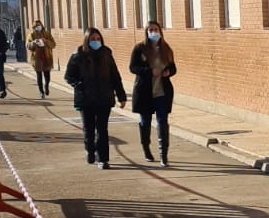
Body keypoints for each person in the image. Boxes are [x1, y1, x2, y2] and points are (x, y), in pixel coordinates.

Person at [64, 28, 126, 169]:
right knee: (89, 129)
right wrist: (79, 85)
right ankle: (90, 150)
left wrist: (121, 96)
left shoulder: (106, 54)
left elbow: (115, 77)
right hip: (86, 99)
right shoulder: (78, 55)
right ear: (87, 40)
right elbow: (68, 76)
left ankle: (103, 159)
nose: (96, 41)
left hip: (104, 97)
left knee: (102, 129)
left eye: (98, 39)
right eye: (93, 39)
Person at [128, 21, 177, 166]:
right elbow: (133, 67)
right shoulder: (139, 48)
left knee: (162, 122)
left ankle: (164, 154)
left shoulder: (166, 49)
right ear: (146, 32)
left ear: (160, 31)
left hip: (162, 92)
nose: (153, 32)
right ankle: (146, 149)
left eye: (156, 29)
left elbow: (174, 67)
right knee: (145, 122)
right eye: (151, 30)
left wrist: (169, 72)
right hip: (145, 92)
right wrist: (149, 72)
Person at [27, 20, 56, 97]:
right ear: (34, 27)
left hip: (46, 56)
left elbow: (53, 44)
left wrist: (46, 41)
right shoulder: (31, 35)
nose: (38, 27)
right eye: (36, 26)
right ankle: (41, 92)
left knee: (47, 74)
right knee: (39, 75)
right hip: (37, 58)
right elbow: (28, 45)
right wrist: (33, 42)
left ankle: (46, 86)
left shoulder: (47, 34)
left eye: (39, 25)